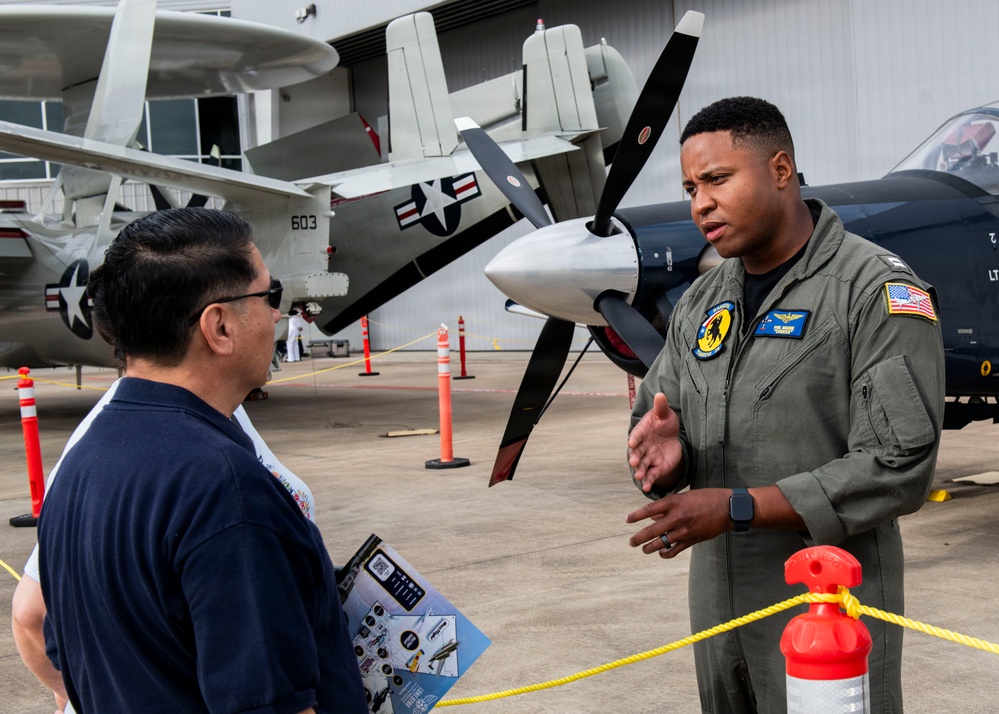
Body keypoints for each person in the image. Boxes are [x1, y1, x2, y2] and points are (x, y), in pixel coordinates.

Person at [625, 97, 945, 714]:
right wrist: (666, 456)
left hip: (828, 608)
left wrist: (737, 507)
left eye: (717, 179)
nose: (700, 204)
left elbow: (898, 465)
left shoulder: (875, 289)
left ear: (780, 170)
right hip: (718, 611)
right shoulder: (701, 302)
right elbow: (657, 415)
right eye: (691, 187)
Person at [36, 208, 367, 713]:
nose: (278, 314)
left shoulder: (80, 464)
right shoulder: (225, 487)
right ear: (219, 326)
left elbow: (66, 649)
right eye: (269, 296)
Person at [12, 381, 316, 714]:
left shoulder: (221, 411)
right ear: (217, 330)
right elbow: (30, 617)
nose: (276, 324)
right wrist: (77, 699)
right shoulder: (210, 474)